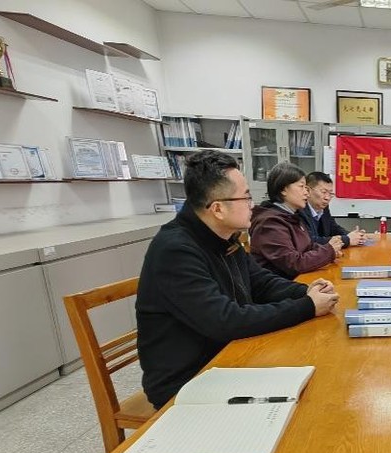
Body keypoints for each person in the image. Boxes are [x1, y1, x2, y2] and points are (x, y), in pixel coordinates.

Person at [136, 151, 339, 408]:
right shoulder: (175, 250)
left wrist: (305, 291)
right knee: (308, 403)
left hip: (229, 354)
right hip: (189, 379)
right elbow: (226, 320)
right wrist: (307, 306)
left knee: (319, 377)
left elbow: (261, 282)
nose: (252, 205)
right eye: (246, 197)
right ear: (218, 208)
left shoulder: (223, 237)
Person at [249, 162, 342, 278]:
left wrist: (330, 251)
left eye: (306, 188)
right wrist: (328, 251)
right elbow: (294, 263)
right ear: (283, 189)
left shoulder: (292, 216)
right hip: (282, 285)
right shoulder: (269, 223)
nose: (306, 193)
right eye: (301, 187)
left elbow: (308, 246)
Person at [302, 171, 368, 247]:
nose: (327, 198)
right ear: (308, 191)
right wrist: (347, 239)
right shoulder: (300, 210)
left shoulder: (324, 208)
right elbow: (311, 241)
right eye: (323, 192)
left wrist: (353, 236)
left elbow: (333, 228)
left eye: (330, 193)